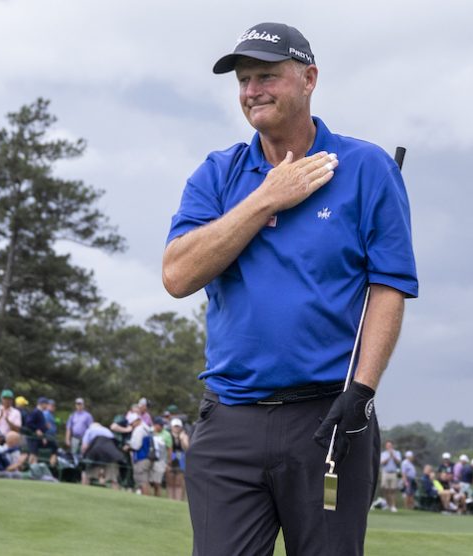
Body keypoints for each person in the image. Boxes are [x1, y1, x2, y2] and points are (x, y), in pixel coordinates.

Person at [162, 22, 418, 555]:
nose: (252, 90)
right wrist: (265, 199)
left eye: (267, 77)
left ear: (309, 79)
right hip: (230, 419)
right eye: (244, 80)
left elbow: (388, 288)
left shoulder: (366, 168)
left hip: (327, 418)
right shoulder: (218, 174)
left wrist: (363, 393)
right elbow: (178, 276)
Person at [127, 412, 153, 495]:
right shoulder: (146, 428)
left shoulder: (139, 429)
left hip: (142, 458)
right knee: (144, 479)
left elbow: (136, 446)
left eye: (132, 423)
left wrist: (128, 447)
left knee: (142, 480)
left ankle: (146, 498)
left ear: (137, 421)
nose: (131, 425)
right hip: (147, 457)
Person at [166, 417, 189, 501]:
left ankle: (178, 500)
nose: (176, 428)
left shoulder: (184, 436)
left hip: (181, 458)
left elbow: (186, 448)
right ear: (171, 426)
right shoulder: (168, 435)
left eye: (178, 426)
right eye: (175, 426)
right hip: (170, 457)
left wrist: (182, 438)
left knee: (179, 482)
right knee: (170, 481)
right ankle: (170, 500)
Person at [380, 440, 402, 512]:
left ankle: (393, 506)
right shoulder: (383, 454)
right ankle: (388, 504)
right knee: (386, 489)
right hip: (386, 472)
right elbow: (382, 463)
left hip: (394, 473)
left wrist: (393, 456)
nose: (389, 447)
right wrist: (389, 456)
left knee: (393, 490)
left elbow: (398, 462)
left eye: (390, 445)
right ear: (386, 446)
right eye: (387, 445)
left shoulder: (397, 453)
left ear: (392, 446)